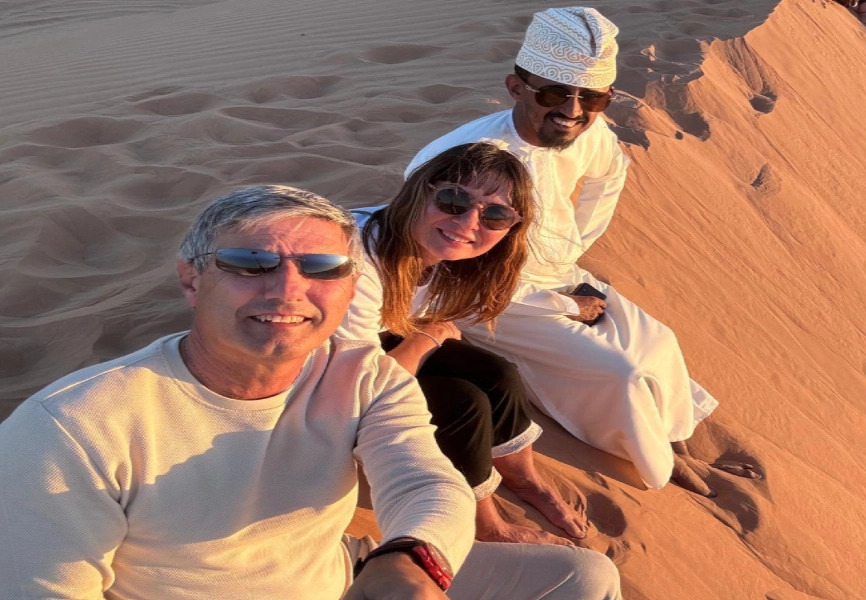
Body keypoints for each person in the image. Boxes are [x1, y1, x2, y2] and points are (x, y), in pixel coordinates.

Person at [0, 185, 621, 599]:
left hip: (337, 575)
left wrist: (410, 557)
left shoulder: (362, 376)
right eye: (250, 264)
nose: (287, 291)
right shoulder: (71, 426)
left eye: (322, 270)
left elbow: (423, 480)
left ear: (351, 289)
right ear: (192, 279)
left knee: (582, 575)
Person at [404, 7, 760, 497]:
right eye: (553, 93)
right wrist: (566, 305)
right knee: (622, 374)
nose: (572, 110)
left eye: (591, 97)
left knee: (658, 340)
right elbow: (439, 263)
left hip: (558, 273)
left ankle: (674, 440)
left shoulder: (589, 132)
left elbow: (609, 177)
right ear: (516, 88)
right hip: (481, 298)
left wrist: (572, 252)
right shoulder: (463, 156)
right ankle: (655, 463)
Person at [338, 142, 588, 545]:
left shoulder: (439, 255)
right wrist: (427, 337)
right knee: (459, 403)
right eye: (454, 199)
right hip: (312, 385)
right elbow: (361, 386)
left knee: (497, 374)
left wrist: (567, 304)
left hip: (369, 345)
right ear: (422, 190)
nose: (471, 222)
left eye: (496, 214)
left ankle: (524, 479)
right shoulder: (358, 258)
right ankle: (486, 525)